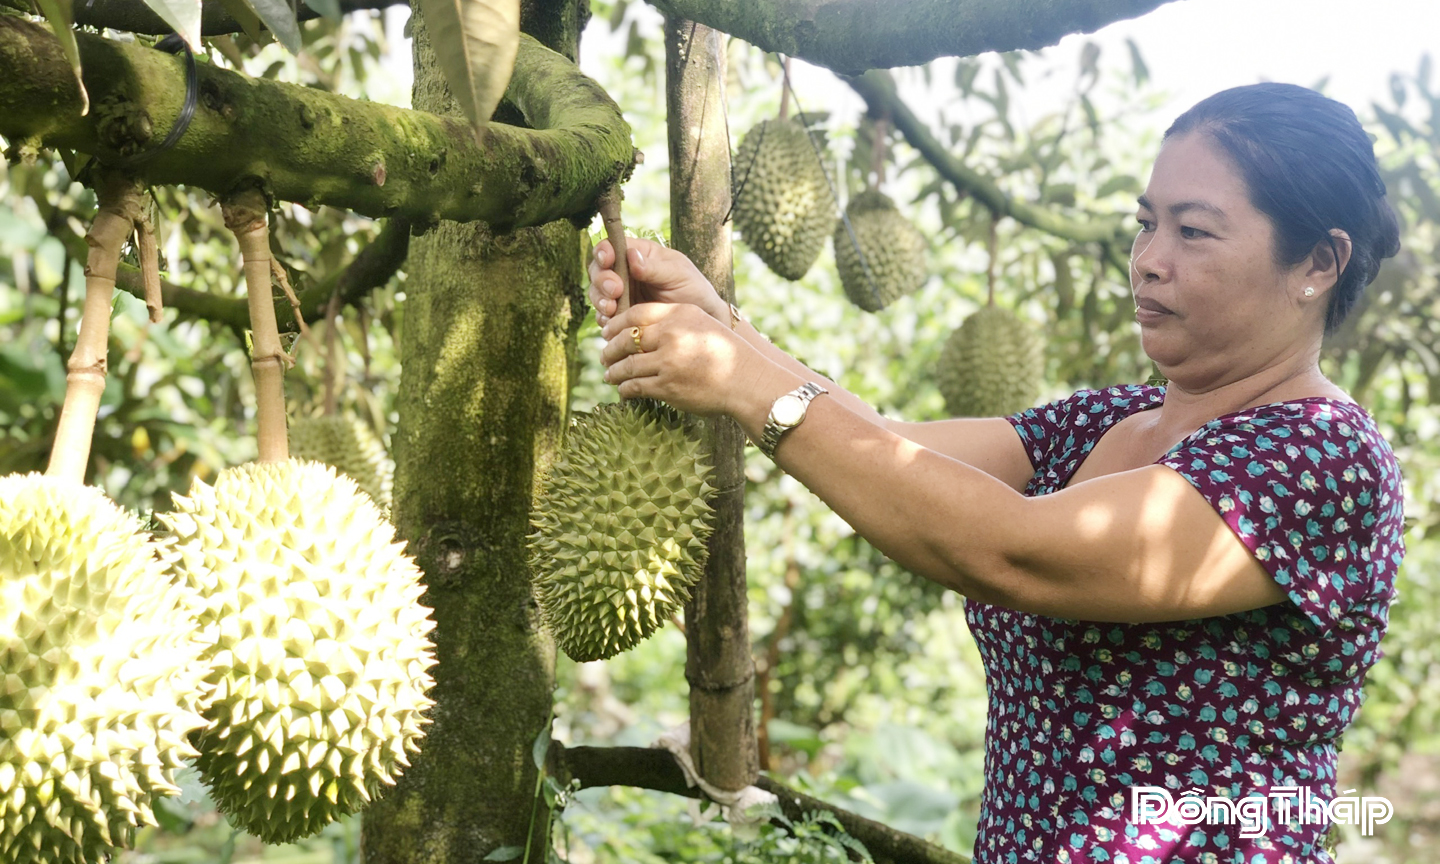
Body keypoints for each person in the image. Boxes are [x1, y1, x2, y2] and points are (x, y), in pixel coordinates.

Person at [586, 82, 1406, 864]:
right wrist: (717, 321)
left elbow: (1012, 550)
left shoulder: (1321, 459)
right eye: (1145, 223)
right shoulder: (1111, 420)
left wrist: (741, 376)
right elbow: (886, 445)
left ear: (1320, 263)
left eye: (1192, 232)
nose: (1149, 259)